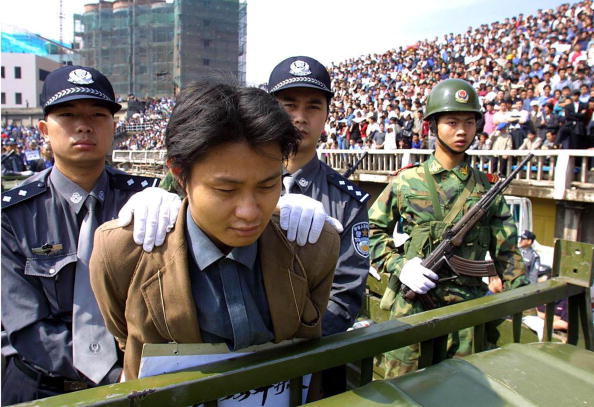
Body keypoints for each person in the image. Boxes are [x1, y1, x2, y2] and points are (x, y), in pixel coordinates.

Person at [89, 82, 340, 382]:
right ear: (180, 175)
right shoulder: (121, 252)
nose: (249, 211)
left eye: (267, 185)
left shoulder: (312, 245)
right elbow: (123, 332)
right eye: (225, 189)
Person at [0, 65, 179, 404]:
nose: (84, 125)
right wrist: (114, 375)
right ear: (44, 130)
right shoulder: (11, 214)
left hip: (136, 385)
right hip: (40, 388)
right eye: (68, 115)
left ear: (114, 127)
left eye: (98, 114)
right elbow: (25, 325)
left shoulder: (148, 201)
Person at [368, 78, 528, 378]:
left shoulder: (487, 188)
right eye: (452, 121)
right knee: (403, 390)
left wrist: (526, 301)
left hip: (466, 313)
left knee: (463, 391)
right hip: (412, 310)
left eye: (469, 122)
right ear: (432, 126)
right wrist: (400, 266)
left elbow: (508, 255)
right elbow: (369, 232)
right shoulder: (407, 181)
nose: (461, 131)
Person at [268, 56, 371, 395]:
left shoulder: (347, 202)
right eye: (288, 105)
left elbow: (345, 296)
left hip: (315, 366)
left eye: (313, 106)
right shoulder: (240, 183)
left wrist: (288, 351)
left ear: (327, 115)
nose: (299, 117)